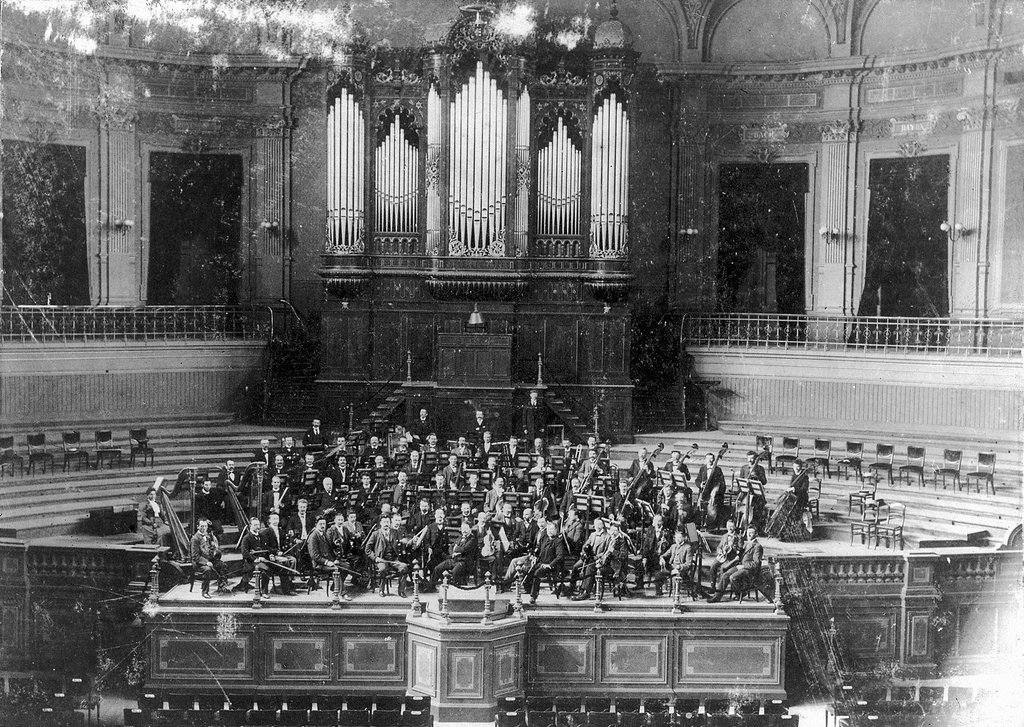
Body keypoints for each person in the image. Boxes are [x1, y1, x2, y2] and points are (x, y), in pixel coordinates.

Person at [708, 525, 762, 603]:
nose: (749, 535)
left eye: (751, 533)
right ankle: (716, 597)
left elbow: (756, 563)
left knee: (733, 577)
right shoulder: (746, 544)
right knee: (725, 575)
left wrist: (743, 566)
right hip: (740, 566)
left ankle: (741, 592)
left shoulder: (757, 546)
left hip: (749, 570)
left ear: (756, 534)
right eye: (748, 533)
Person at [766, 459, 812, 542]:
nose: (796, 468)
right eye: (794, 467)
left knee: (791, 512)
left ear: (801, 467)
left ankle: (791, 534)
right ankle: (781, 532)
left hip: (801, 498)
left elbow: (804, 489)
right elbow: (791, 485)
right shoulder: (794, 475)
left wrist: (794, 489)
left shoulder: (805, 477)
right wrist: (789, 489)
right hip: (793, 497)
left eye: (798, 467)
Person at [569, 517, 614, 600]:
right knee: (576, 566)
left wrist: (596, 557)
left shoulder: (607, 537)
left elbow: (606, 552)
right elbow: (585, 545)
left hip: (598, 560)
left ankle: (586, 592)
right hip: (588, 557)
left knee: (589, 569)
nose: (596, 526)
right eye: (595, 524)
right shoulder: (592, 535)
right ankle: (572, 588)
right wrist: (584, 553)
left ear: (602, 525)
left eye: (599, 524)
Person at [430, 520, 477, 588]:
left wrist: (456, 548)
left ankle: (454, 589)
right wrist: (453, 554)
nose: (464, 531)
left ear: (470, 529)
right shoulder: (460, 537)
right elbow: (451, 547)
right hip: (454, 560)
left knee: (454, 572)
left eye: (466, 528)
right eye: (463, 529)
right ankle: (431, 587)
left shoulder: (472, 539)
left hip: (464, 562)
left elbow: (464, 549)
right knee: (437, 568)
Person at [527, 520, 565, 604]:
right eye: (548, 529)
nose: (550, 531)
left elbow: (560, 557)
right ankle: (529, 590)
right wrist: (534, 557)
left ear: (556, 530)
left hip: (551, 566)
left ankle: (533, 596)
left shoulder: (558, 541)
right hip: (541, 563)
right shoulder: (544, 539)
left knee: (537, 573)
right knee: (527, 570)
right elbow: (538, 549)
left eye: (552, 529)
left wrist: (550, 565)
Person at [190, 518, 228, 598]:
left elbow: (209, 549)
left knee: (222, 565)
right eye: (201, 526)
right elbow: (195, 556)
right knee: (207, 569)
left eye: (205, 526)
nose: (204, 528)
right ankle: (205, 591)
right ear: (197, 527)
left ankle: (221, 586)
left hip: (209, 559)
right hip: (198, 563)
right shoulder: (195, 538)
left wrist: (213, 549)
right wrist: (206, 562)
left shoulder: (208, 536)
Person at [372, 516, 410, 597]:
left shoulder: (395, 532)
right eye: (384, 522)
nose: (386, 524)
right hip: (381, 559)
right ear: (380, 523)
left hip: (394, 560)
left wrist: (406, 541)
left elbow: (403, 541)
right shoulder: (376, 534)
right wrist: (375, 558)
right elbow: (367, 549)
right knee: (382, 569)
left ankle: (401, 591)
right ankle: (381, 590)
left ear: (390, 523)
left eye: (387, 522)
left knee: (404, 567)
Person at [261, 512, 297, 596]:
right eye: (274, 519)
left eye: (277, 519)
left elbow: (284, 543)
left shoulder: (281, 531)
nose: (276, 520)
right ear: (269, 520)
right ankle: (286, 589)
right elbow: (265, 547)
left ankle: (289, 580)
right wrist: (276, 552)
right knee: (285, 561)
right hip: (272, 555)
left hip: (281, 554)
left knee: (293, 560)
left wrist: (290, 539)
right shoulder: (266, 532)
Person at [652, 529, 694, 596]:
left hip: (681, 570)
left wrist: (679, 567)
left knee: (675, 576)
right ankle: (658, 593)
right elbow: (664, 555)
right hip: (671, 567)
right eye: (676, 537)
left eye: (679, 537)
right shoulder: (673, 546)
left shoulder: (688, 547)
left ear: (684, 538)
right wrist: (661, 558)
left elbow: (688, 564)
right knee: (658, 574)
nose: (677, 539)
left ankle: (675, 596)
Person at [736, 451, 769, 533]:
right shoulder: (744, 468)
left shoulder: (760, 468)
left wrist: (757, 477)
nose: (750, 460)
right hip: (745, 493)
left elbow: (764, 482)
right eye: (748, 458)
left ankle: (755, 528)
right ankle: (741, 526)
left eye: (752, 458)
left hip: (756, 494)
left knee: (757, 508)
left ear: (755, 459)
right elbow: (740, 482)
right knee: (739, 505)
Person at [233, 517, 268, 593]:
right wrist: (256, 559)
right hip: (251, 562)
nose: (258, 527)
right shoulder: (246, 538)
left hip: (262, 560)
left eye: (258, 525)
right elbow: (245, 552)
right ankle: (264, 592)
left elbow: (266, 548)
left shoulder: (262, 536)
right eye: (255, 525)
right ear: (250, 526)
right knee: (265, 569)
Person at [695, 452, 727, 530]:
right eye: (708, 458)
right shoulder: (702, 468)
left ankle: (711, 525)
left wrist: (716, 489)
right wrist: (700, 485)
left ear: (714, 459)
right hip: (704, 493)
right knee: (697, 507)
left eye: (711, 458)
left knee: (713, 508)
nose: (709, 460)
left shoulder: (718, 469)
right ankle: (700, 525)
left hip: (714, 495)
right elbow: (697, 480)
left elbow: (722, 483)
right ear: (705, 460)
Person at [709, 519, 742, 589]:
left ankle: (720, 588)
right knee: (713, 566)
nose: (730, 528)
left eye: (732, 526)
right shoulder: (724, 536)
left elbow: (740, 549)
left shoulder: (738, 537)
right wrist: (720, 551)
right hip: (723, 556)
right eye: (728, 526)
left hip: (731, 558)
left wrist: (735, 549)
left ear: (735, 527)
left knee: (722, 568)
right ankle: (712, 586)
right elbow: (719, 547)